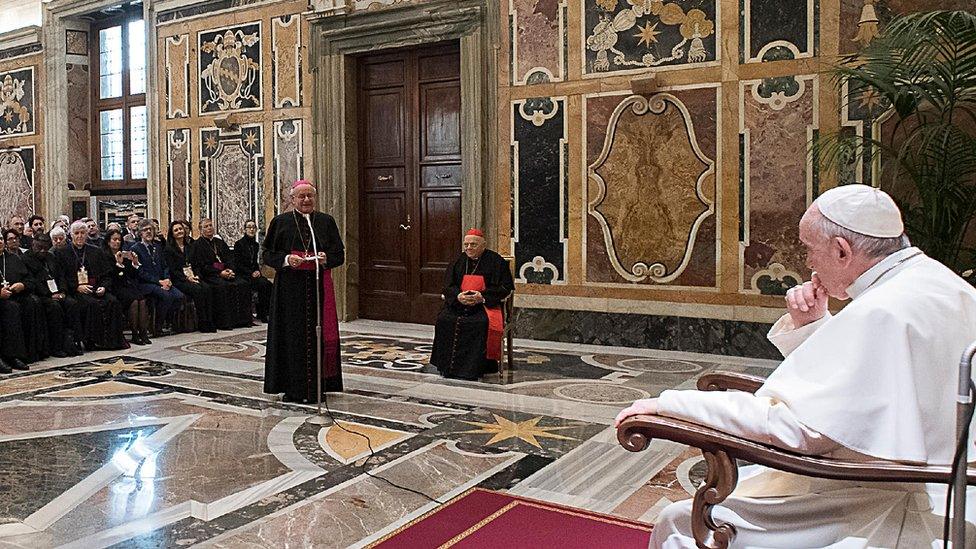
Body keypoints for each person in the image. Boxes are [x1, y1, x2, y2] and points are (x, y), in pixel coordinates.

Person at [615, 184, 976, 548]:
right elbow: (871, 388)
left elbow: (799, 430)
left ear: (841, 250)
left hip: (891, 504)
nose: (808, 263)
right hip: (946, 490)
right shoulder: (940, 285)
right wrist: (815, 326)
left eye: (809, 249)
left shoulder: (882, 309)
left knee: (679, 525)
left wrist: (668, 406)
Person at [262, 179, 345, 401]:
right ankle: (292, 387)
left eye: (310, 196)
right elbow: (267, 254)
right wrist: (288, 259)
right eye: (302, 196)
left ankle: (320, 386)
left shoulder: (326, 222)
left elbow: (340, 255)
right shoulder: (281, 222)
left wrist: (326, 258)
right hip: (289, 291)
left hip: (318, 286)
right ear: (292, 199)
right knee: (291, 337)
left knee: (317, 334)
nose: (306, 200)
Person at [430, 228, 514, 381]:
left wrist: (482, 296)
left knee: (479, 323)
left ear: (483, 245)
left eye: (473, 245)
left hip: (484, 305)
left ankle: (477, 367)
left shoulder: (496, 261)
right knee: (444, 320)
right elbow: (447, 286)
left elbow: (505, 287)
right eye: (466, 244)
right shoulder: (457, 261)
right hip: (459, 303)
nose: (468, 248)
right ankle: (447, 367)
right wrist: (458, 296)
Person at [54, 221, 127, 351]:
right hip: (76, 290)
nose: (80, 236)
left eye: (83, 233)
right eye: (76, 233)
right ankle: (92, 341)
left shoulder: (96, 251)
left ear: (87, 234)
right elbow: (62, 276)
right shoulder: (62, 253)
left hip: (95, 287)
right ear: (71, 235)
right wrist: (76, 287)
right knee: (91, 304)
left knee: (113, 302)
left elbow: (106, 275)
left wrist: (104, 287)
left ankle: (113, 341)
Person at [23, 233, 82, 357]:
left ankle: (73, 342)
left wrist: (63, 291)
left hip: (57, 292)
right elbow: (32, 281)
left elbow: (61, 276)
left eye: (45, 248)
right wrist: (49, 295)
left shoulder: (51, 257)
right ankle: (56, 346)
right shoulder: (26, 259)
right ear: (33, 245)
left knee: (72, 304)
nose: (43, 251)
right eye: (40, 248)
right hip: (42, 295)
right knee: (54, 308)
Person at [188, 218, 252, 328]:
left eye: (210, 225)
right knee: (223, 286)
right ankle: (225, 322)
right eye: (206, 226)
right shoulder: (197, 245)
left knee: (243, 283)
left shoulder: (219, 242)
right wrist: (220, 273)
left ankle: (243, 320)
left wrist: (230, 269)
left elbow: (230, 258)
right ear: (200, 230)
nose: (209, 228)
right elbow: (201, 266)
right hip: (210, 275)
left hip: (226, 272)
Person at [132, 220, 184, 336]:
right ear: (140, 233)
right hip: (145, 283)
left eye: (150, 229)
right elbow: (140, 272)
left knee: (179, 296)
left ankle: (169, 322)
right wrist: (159, 281)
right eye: (145, 230)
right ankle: (156, 326)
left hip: (162, 281)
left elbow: (165, 266)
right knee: (166, 296)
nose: (149, 232)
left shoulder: (158, 246)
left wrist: (167, 279)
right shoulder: (135, 249)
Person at [164, 220, 216, 333]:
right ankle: (202, 323)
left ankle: (209, 321)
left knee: (207, 288)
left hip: (193, 276)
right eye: (176, 230)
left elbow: (195, 264)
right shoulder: (169, 249)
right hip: (179, 280)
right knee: (197, 290)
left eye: (180, 229)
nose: (179, 231)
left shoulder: (190, 247)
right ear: (172, 234)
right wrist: (187, 278)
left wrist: (196, 275)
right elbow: (173, 270)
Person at [104, 228, 152, 345]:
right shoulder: (104, 256)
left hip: (126, 285)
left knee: (142, 300)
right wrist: (118, 265)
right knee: (134, 301)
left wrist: (134, 263)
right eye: (114, 240)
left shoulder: (124, 253)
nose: (117, 242)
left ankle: (143, 332)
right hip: (114, 287)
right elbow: (111, 276)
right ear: (108, 241)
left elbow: (131, 275)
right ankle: (134, 334)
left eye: (119, 240)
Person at [0, 232, 32, 372]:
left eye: (0, 238)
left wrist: (22, 285)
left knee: (22, 306)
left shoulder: (13, 258)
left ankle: (13, 355)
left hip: (13, 299)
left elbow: (29, 280)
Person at [234, 219, 272, 322]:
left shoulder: (255, 245)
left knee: (268, 284)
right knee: (263, 284)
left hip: (253, 274)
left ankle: (263, 312)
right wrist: (251, 273)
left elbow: (254, 262)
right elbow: (238, 264)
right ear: (244, 230)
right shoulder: (239, 244)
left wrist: (257, 271)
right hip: (243, 274)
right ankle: (262, 315)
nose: (251, 229)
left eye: (253, 227)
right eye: (249, 227)